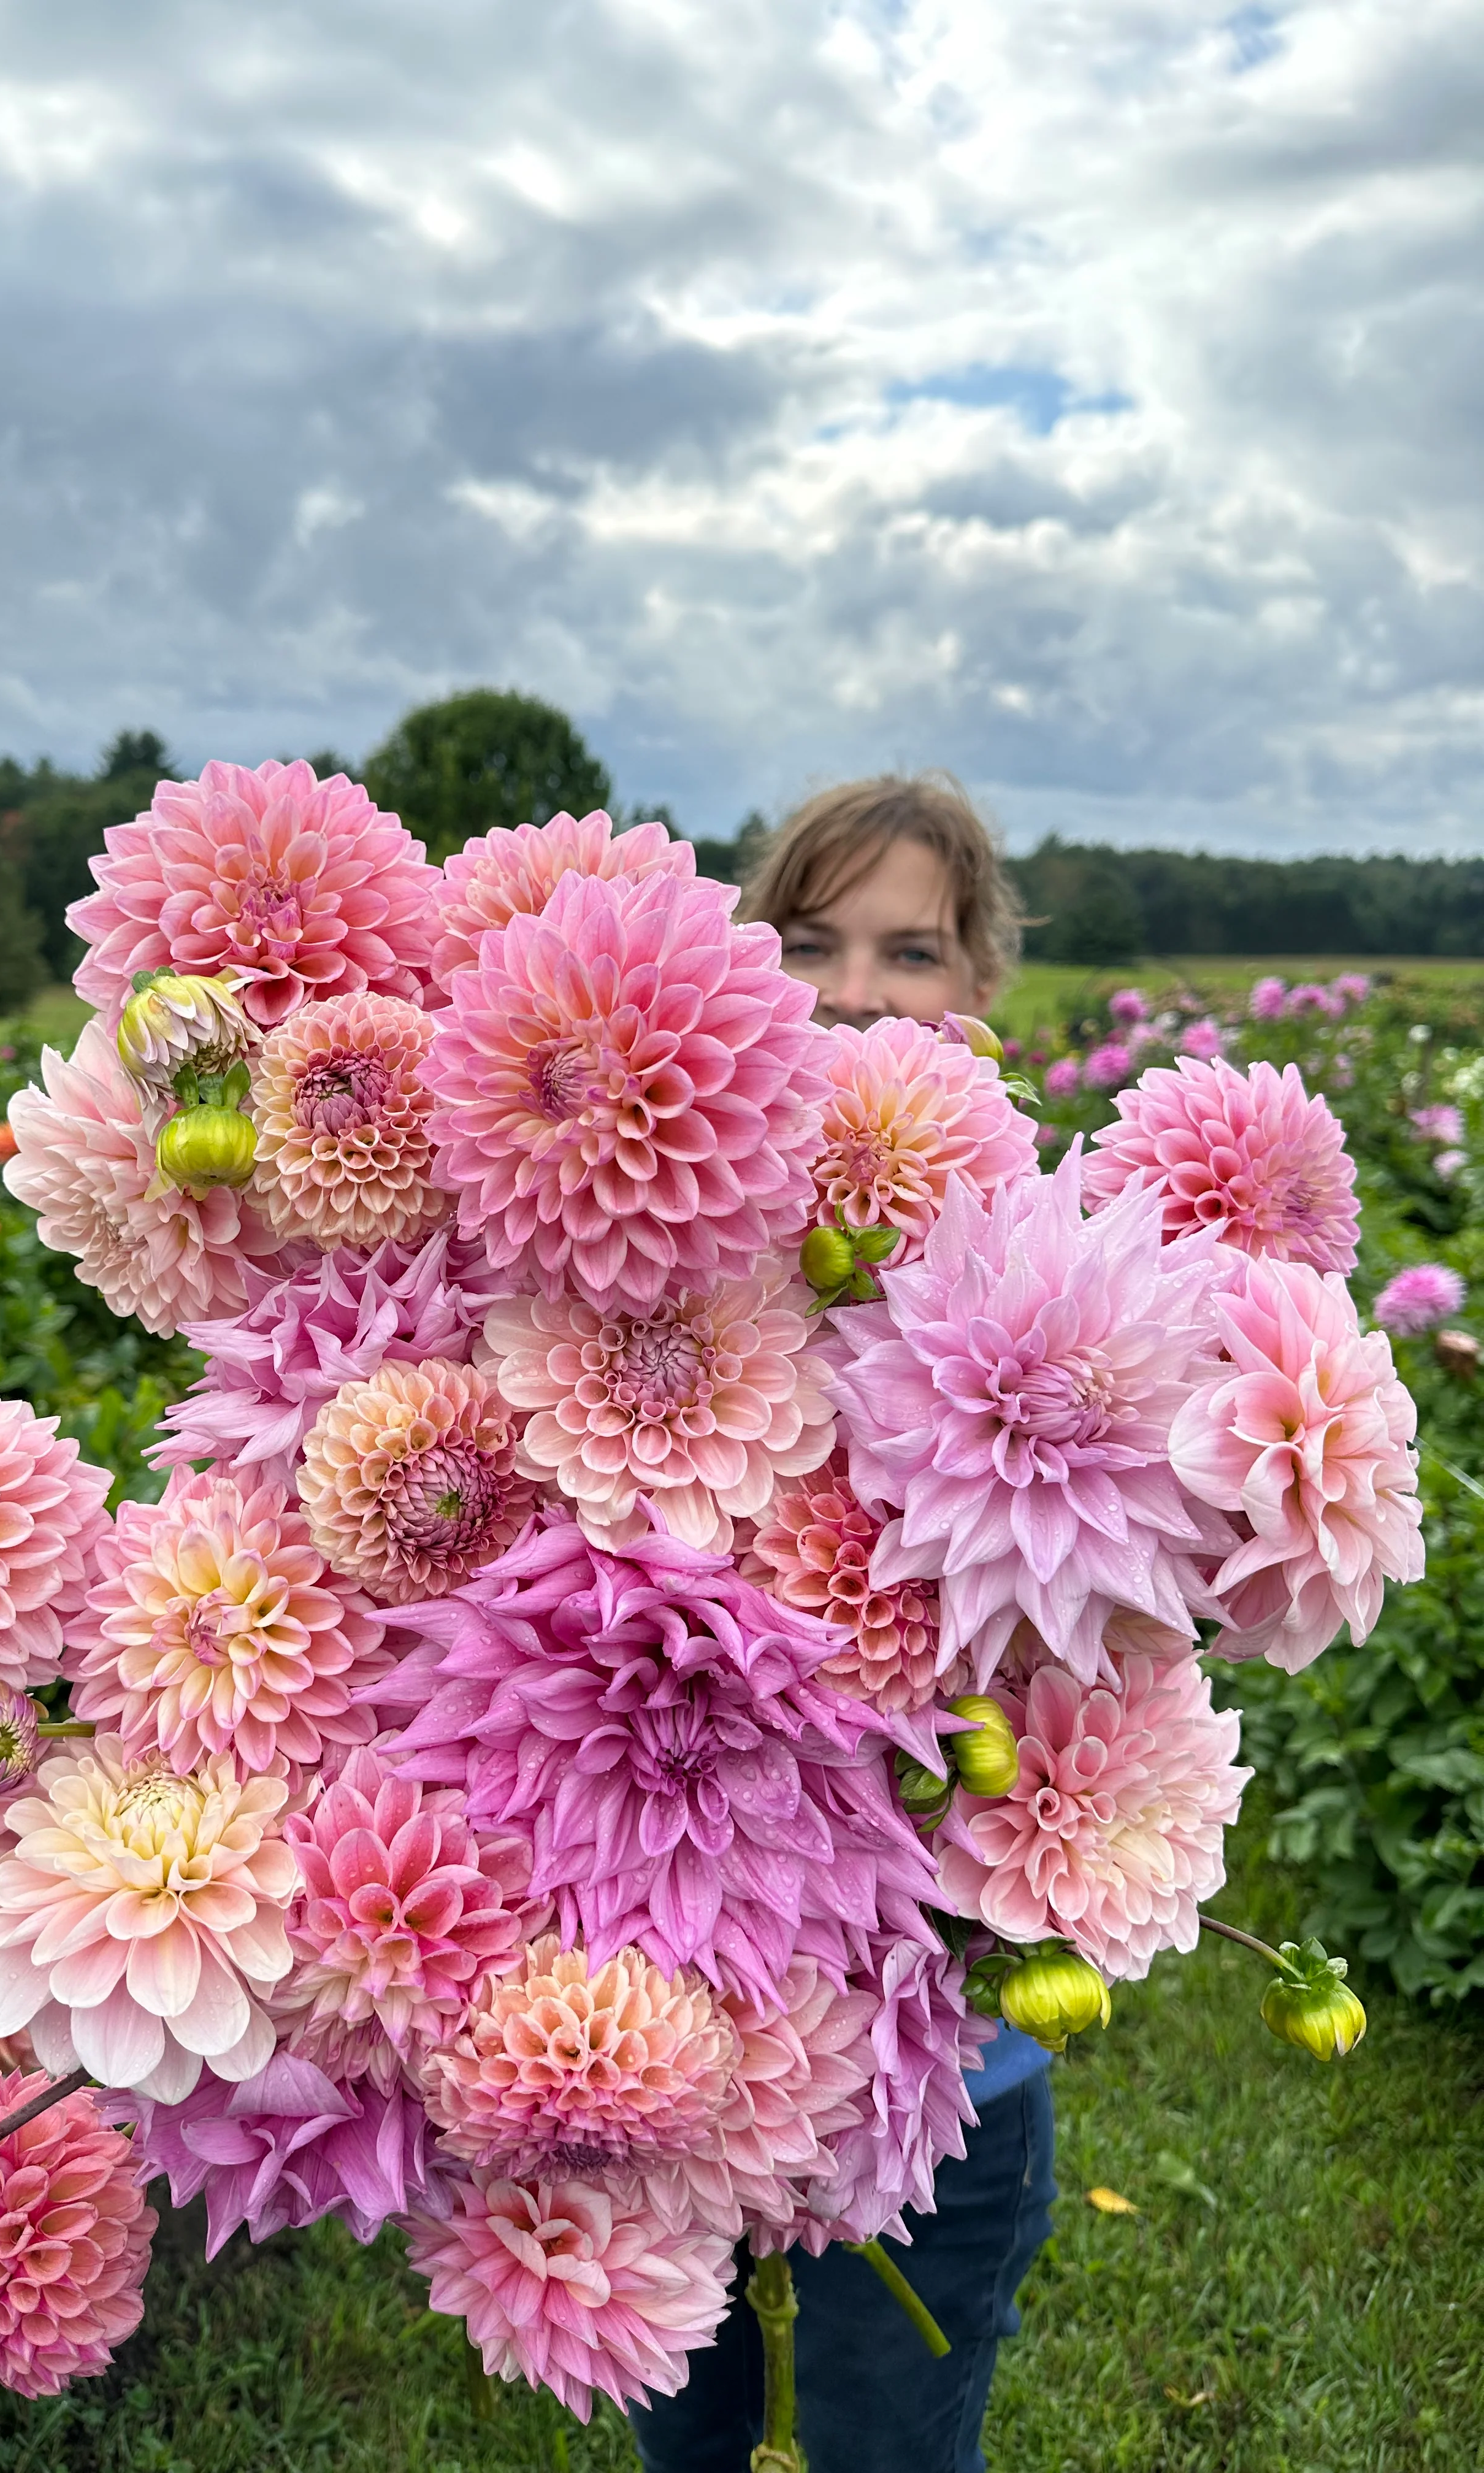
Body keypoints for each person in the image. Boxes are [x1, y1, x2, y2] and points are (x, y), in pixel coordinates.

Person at [630, 774, 1055, 2473]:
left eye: (913, 951)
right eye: (813, 945)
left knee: (893, 2438)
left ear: (977, 989)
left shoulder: (1048, 1266)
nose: (862, 992)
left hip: (939, 2061)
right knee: (689, 2436)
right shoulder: (657, 1258)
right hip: (664, 2030)